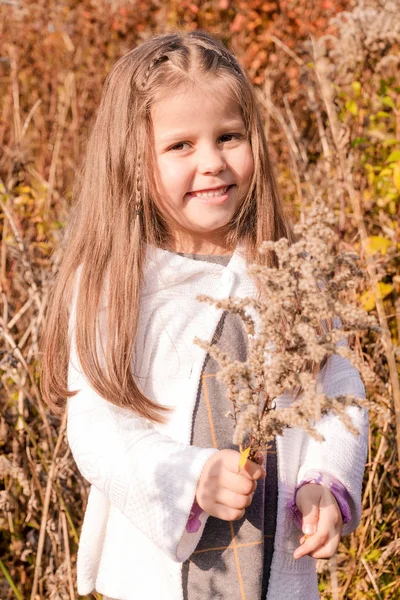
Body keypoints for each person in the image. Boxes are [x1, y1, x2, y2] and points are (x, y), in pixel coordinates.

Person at [39, 30, 368, 600]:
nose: (213, 162)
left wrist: (325, 481)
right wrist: (190, 479)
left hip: (270, 569)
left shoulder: (283, 274)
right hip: (158, 580)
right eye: (181, 145)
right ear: (131, 163)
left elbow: (338, 386)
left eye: (229, 136)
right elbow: (97, 429)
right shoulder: (116, 284)